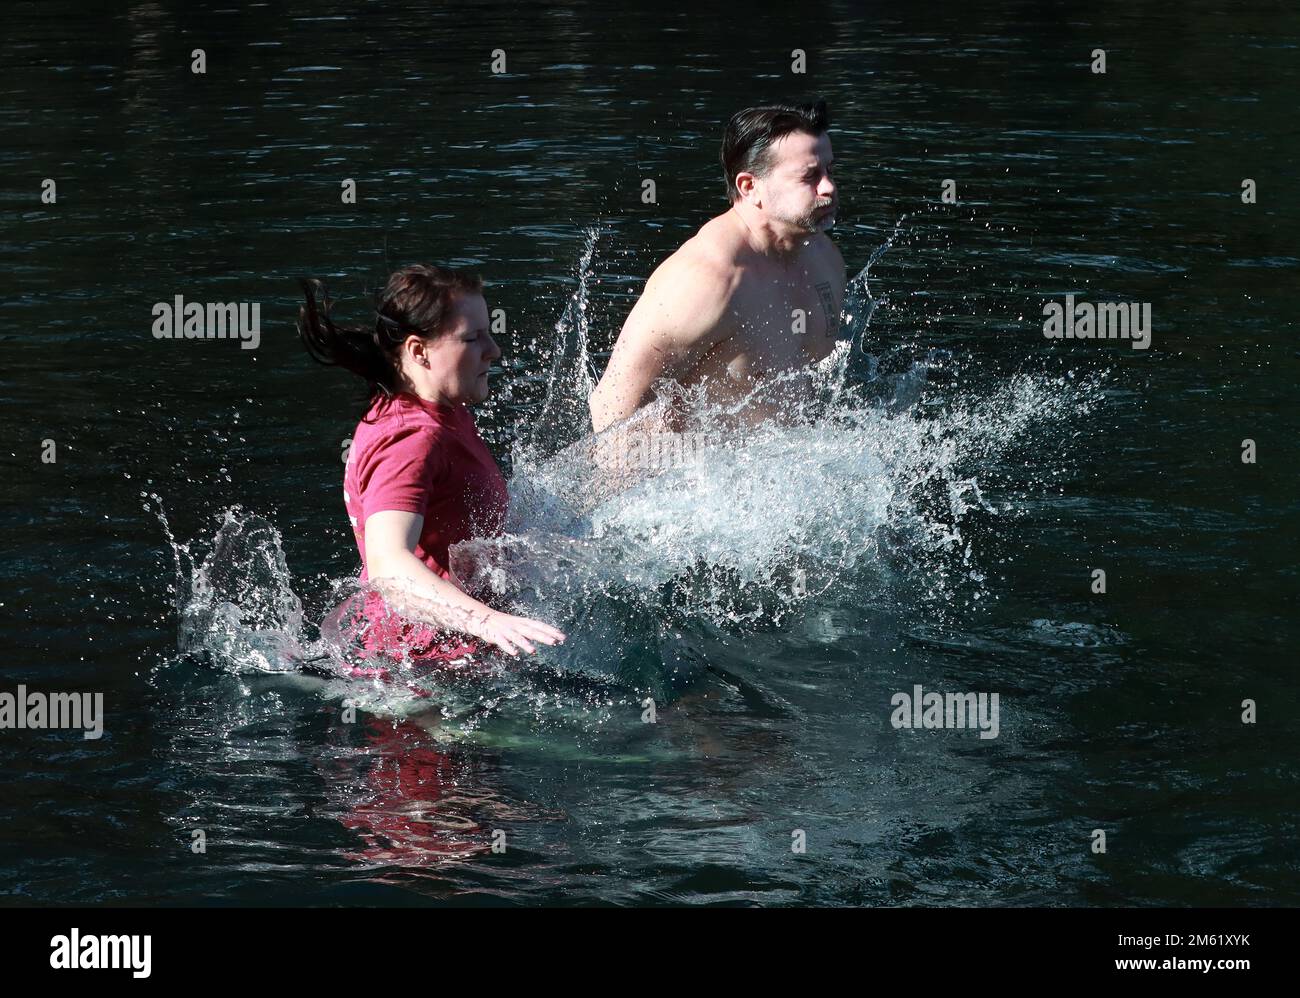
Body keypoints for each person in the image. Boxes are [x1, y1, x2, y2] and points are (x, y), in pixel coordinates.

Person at [298, 264, 565, 665]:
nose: (494, 350)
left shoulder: (438, 409)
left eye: (489, 334)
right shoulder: (410, 439)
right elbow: (389, 566)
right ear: (418, 351)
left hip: (457, 654)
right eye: (473, 338)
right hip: (426, 672)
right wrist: (489, 622)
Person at [589, 99, 846, 434]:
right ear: (750, 187)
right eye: (810, 176)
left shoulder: (825, 258)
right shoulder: (706, 280)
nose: (829, 187)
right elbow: (612, 404)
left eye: (830, 170)